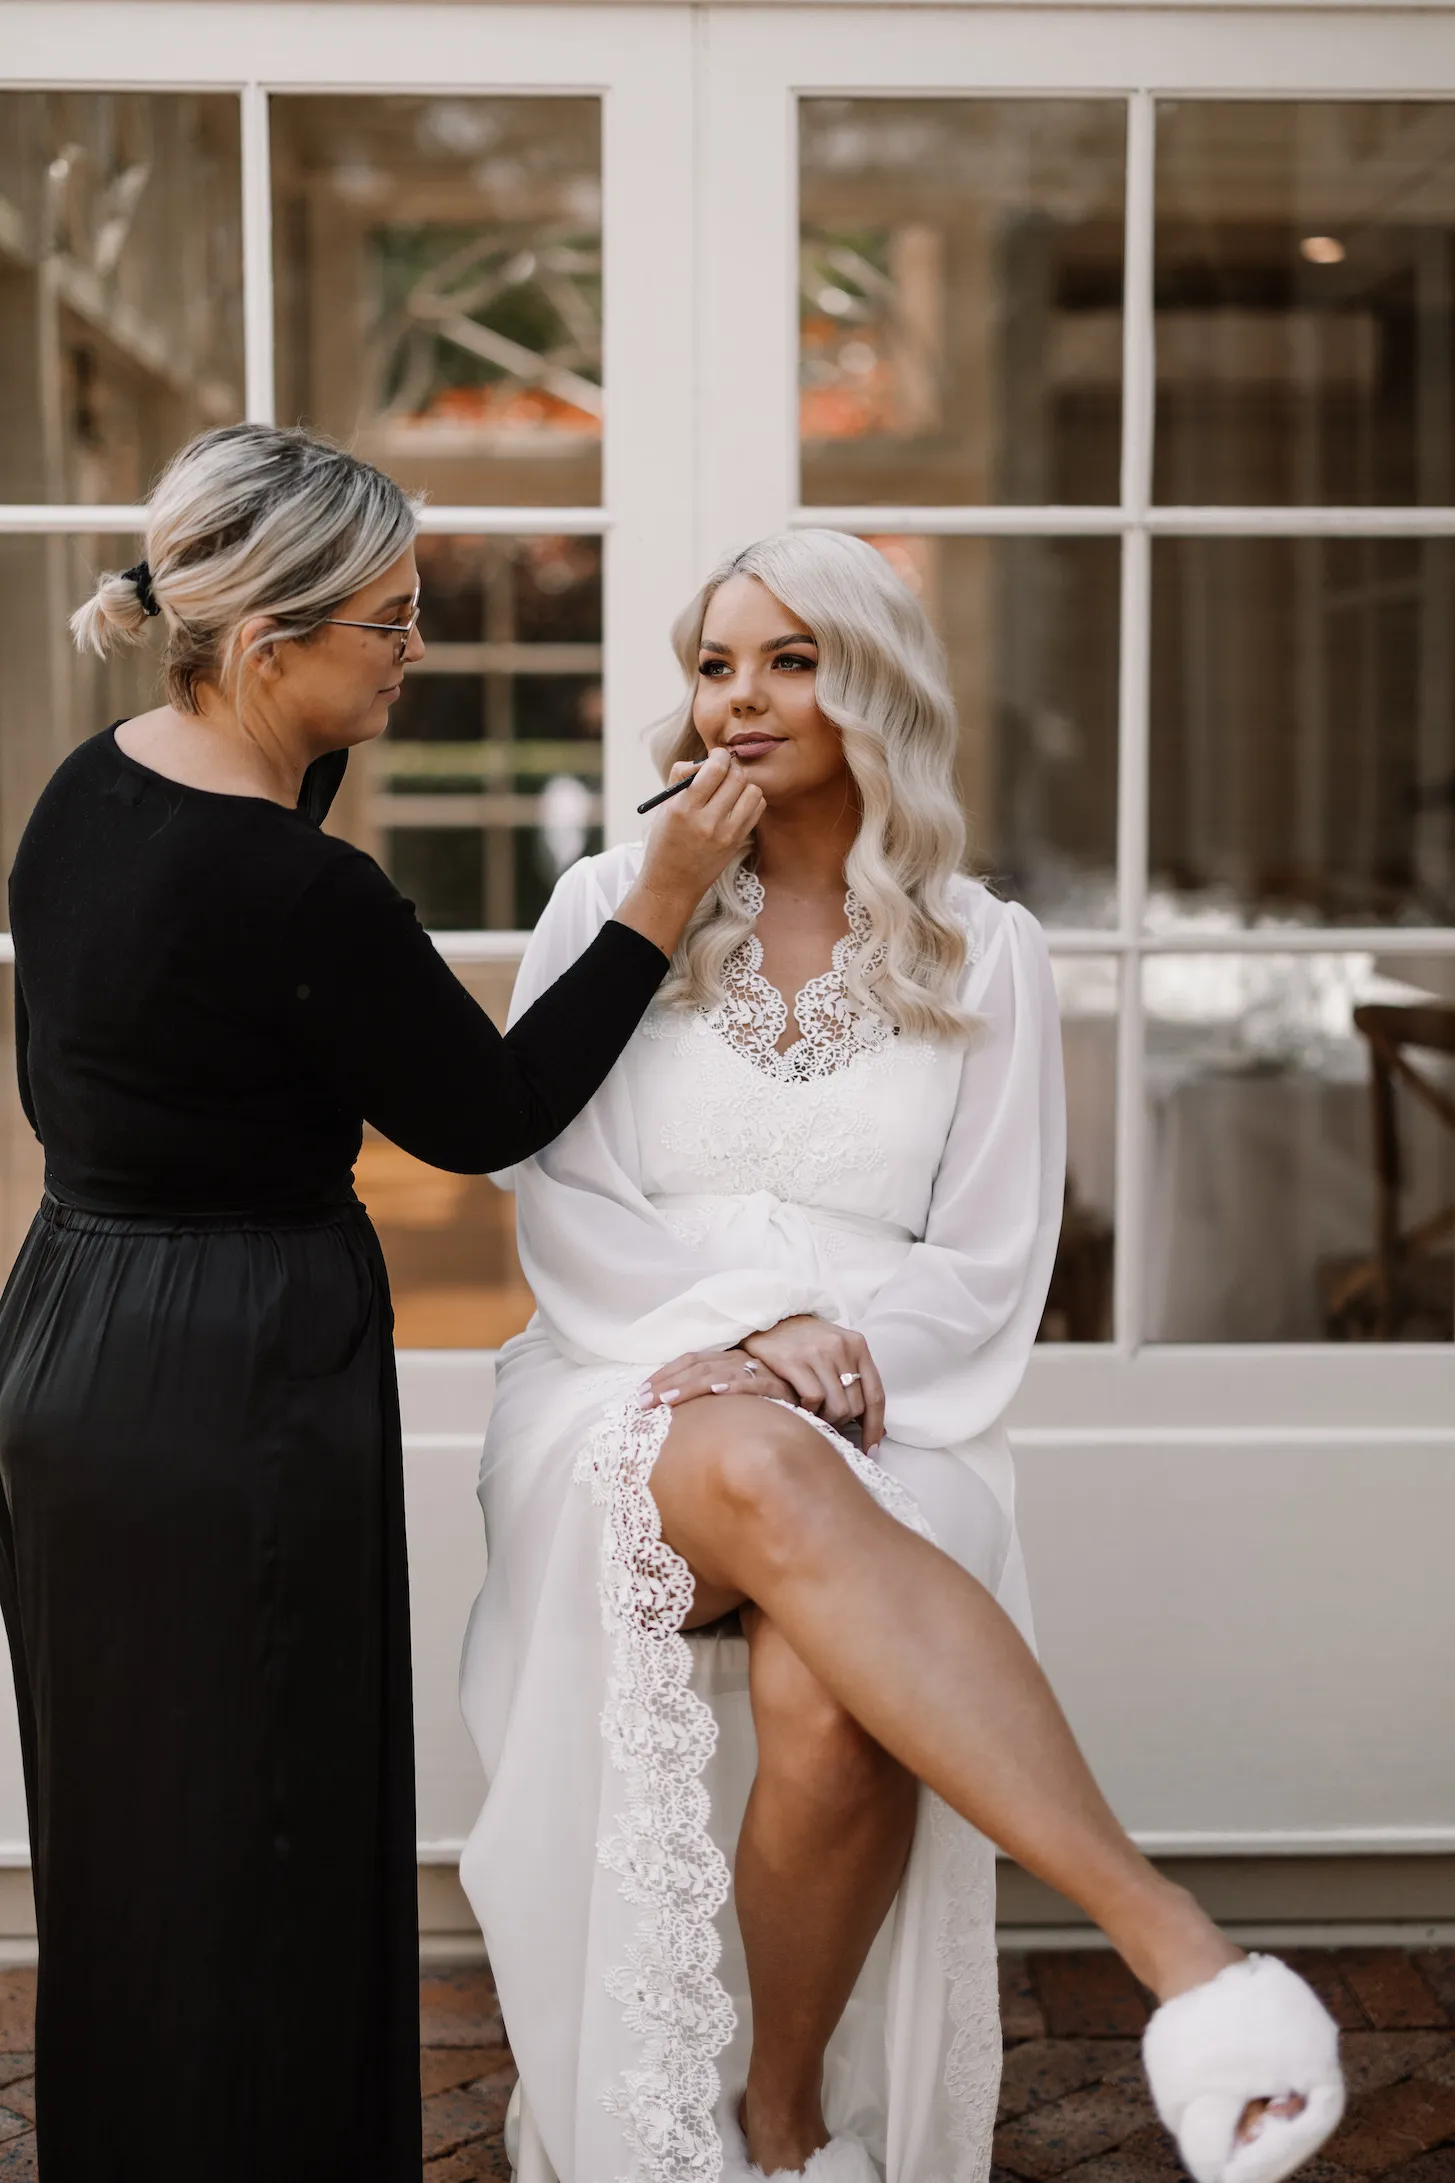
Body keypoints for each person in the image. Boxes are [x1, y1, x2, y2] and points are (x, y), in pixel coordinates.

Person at [458, 530, 1346, 2183]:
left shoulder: (979, 943)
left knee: (831, 1694)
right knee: (751, 1451)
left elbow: (993, 1256)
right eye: (715, 663)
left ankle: (780, 2130)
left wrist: (829, 1349)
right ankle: (1183, 1958)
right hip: (624, 1377)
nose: (739, 699)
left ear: (871, 680)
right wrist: (743, 1339)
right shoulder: (611, 896)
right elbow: (560, 1202)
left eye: (788, 658)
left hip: (887, 1395)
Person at [0, 422, 763, 2183]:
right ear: (266, 640)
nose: (417, 652)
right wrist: (653, 903)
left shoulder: (88, 787)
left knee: (127, 1840)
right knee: (270, 1837)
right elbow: (486, 1116)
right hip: (233, 1379)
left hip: (67, 1343)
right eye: (391, 625)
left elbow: (240, 911)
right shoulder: (300, 892)